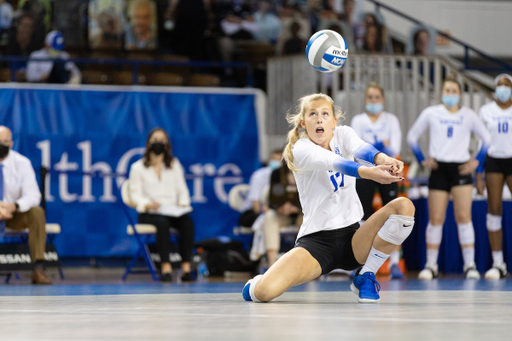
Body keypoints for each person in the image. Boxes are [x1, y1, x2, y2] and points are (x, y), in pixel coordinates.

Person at [242, 93, 415, 304]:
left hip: (352, 238)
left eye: (325, 114)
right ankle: (257, 283)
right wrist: (370, 173)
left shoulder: (343, 134)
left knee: (404, 207)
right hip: (316, 244)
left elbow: (363, 149)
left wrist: (385, 159)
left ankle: (366, 275)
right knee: (263, 293)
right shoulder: (301, 148)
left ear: (334, 121)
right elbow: (335, 162)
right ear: (303, 122)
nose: (319, 119)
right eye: (313, 114)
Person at [407, 74, 491, 280]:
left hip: (461, 169)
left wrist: (476, 160)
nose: (450, 95)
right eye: (447, 91)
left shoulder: (469, 115)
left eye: (454, 91)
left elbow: (487, 139)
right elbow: (412, 136)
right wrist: (422, 158)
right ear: (442, 93)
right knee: (436, 219)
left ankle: (469, 265)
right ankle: (431, 265)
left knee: (464, 217)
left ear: (460, 94)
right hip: (439, 169)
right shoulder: (431, 113)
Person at [351, 82, 404, 279]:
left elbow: (395, 148)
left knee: (395, 215)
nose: (373, 101)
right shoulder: (358, 120)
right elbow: (356, 150)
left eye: (377, 98)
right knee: (361, 216)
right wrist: (382, 144)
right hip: (366, 171)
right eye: (370, 97)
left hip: (389, 170)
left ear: (383, 100)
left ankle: (394, 263)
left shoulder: (391, 120)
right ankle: (358, 261)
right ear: (366, 100)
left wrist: (372, 146)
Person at [128, 128, 195, 283]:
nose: (159, 143)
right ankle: (166, 268)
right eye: (155, 140)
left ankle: (186, 268)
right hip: (150, 213)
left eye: (162, 140)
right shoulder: (137, 168)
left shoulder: (174, 164)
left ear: (167, 145)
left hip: (171, 211)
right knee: (162, 224)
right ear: (148, 144)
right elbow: (134, 194)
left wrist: (184, 203)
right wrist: (148, 204)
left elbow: (182, 189)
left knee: (187, 222)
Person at [0, 126, 51, 285]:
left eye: (4, 142)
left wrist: (13, 206)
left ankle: (38, 269)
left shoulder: (21, 163)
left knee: (36, 212)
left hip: (13, 215)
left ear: (11, 144)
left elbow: (33, 195)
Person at [476, 73, 512, 280]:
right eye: (500, 85)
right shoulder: (486, 111)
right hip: (493, 160)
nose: (503, 88)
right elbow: (482, 143)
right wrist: (479, 174)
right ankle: (498, 263)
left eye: (507, 85)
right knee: (494, 209)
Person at [263, 161, 302, 267]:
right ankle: (271, 265)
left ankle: (311, 263)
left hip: (302, 215)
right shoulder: (277, 173)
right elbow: (272, 200)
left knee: (312, 219)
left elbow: (314, 199)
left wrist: (298, 209)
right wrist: (280, 208)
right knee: (269, 217)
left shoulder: (309, 172)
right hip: (283, 215)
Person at [239, 149, 283, 228]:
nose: (277, 162)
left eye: (279, 160)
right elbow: (256, 207)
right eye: (274, 160)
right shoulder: (259, 175)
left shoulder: (285, 176)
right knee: (269, 219)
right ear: (269, 161)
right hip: (254, 211)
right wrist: (271, 212)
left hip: (277, 211)